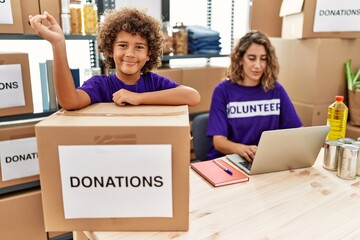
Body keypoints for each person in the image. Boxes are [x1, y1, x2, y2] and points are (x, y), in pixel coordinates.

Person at [28, 8, 200, 110]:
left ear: (149, 54)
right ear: (110, 50)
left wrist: (139, 98)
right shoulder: (101, 85)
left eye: (139, 47)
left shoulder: (153, 83)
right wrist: (58, 44)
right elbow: (69, 102)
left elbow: (193, 97)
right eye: (123, 45)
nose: (131, 53)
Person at [207, 30, 303, 161]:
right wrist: (242, 149)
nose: (258, 65)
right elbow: (219, 142)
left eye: (263, 59)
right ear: (240, 59)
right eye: (251, 58)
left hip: (263, 160)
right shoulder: (223, 91)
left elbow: (297, 131)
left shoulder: (276, 90)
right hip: (230, 160)